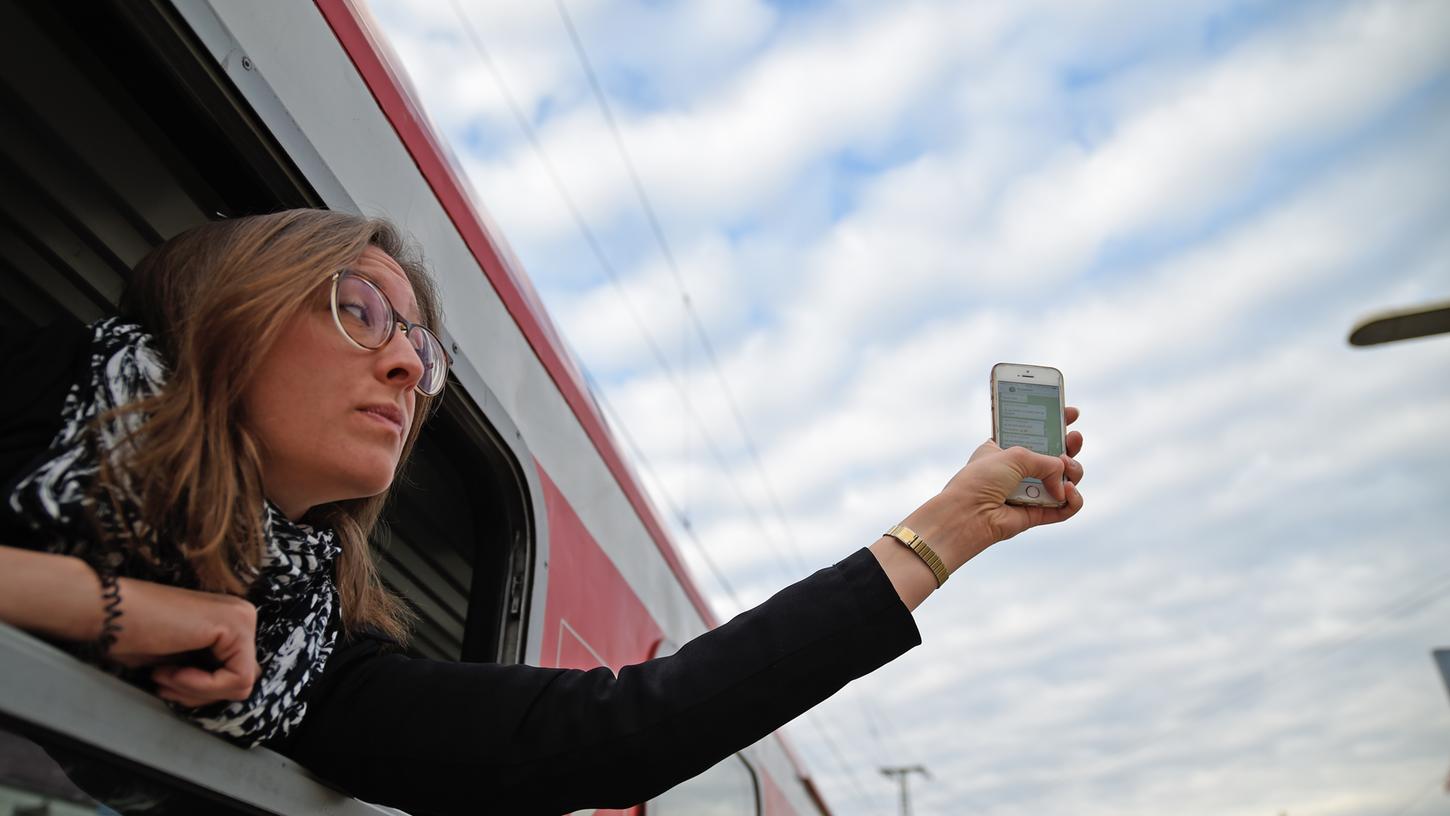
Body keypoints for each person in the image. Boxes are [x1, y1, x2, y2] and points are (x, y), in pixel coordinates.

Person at [0, 209, 1085, 814]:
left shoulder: (311, 659)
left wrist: (945, 531)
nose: (400, 362)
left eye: (420, 350)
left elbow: (618, 732)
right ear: (227, 316)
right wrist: (123, 611)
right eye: (358, 308)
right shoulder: (37, 382)